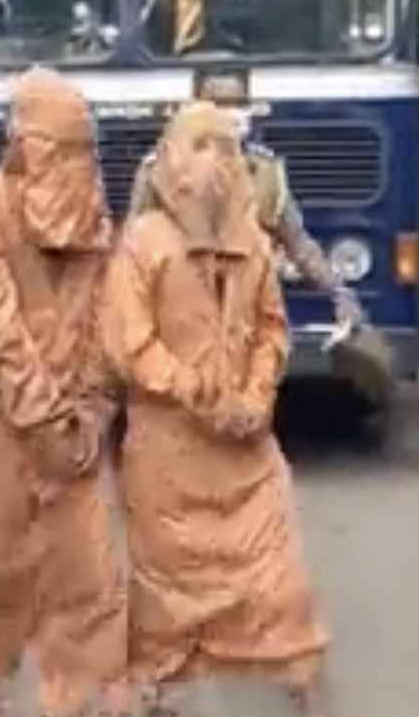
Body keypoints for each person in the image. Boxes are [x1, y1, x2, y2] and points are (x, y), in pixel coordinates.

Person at [104, 102, 328, 717]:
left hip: (245, 447)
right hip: (168, 448)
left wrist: (257, 396)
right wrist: (198, 396)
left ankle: (294, 670)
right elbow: (130, 344)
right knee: (168, 586)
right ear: (170, 157)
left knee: (276, 571)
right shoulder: (143, 243)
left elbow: (271, 329)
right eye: (200, 146)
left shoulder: (252, 242)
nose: (215, 162)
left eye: (226, 148)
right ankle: (157, 683)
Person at [0, 67, 127, 717]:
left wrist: (91, 410)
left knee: (86, 575)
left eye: (78, 147)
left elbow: (105, 319)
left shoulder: (94, 212)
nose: (69, 163)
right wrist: (44, 417)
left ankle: (86, 699)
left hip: (72, 431)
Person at [128, 73, 363, 328]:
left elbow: (297, 243)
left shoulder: (265, 171)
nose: (231, 114)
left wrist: (338, 291)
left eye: (238, 104)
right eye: (219, 104)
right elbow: (135, 247)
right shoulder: (160, 170)